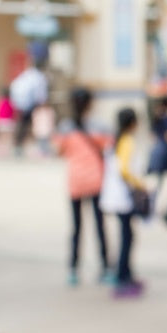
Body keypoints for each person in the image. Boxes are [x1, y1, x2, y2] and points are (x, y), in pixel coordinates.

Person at [55, 87, 112, 286]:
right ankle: (105, 267)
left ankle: (73, 269)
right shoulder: (100, 125)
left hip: (76, 182)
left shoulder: (65, 127)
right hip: (97, 181)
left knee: (76, 228)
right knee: (100, 227)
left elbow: (59, 151)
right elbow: (109, 148)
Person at [100, 107, 148, 299]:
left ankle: (126, 274)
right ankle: (122, 277)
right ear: (133, 123)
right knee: (127, 238)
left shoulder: (115, 139)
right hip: (123, 197)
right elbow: (125, 170)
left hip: (115, 196)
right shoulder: (127, 141)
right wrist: (141, 185)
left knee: (126, 235)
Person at [9, 59, 48, 157]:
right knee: (35, 125)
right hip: (30, 103)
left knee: (22, 125)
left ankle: (19, 145)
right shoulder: (38, 77)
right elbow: (40, 93)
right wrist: (42, 103)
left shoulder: (26, 75)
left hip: (20, 103)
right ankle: (39, 147)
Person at [0, 88, 16, 157]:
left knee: (1, 136)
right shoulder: (10, 102)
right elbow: (12, 112)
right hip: (7, 121)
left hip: (0, 121)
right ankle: (5, 149)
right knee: (7, 137)